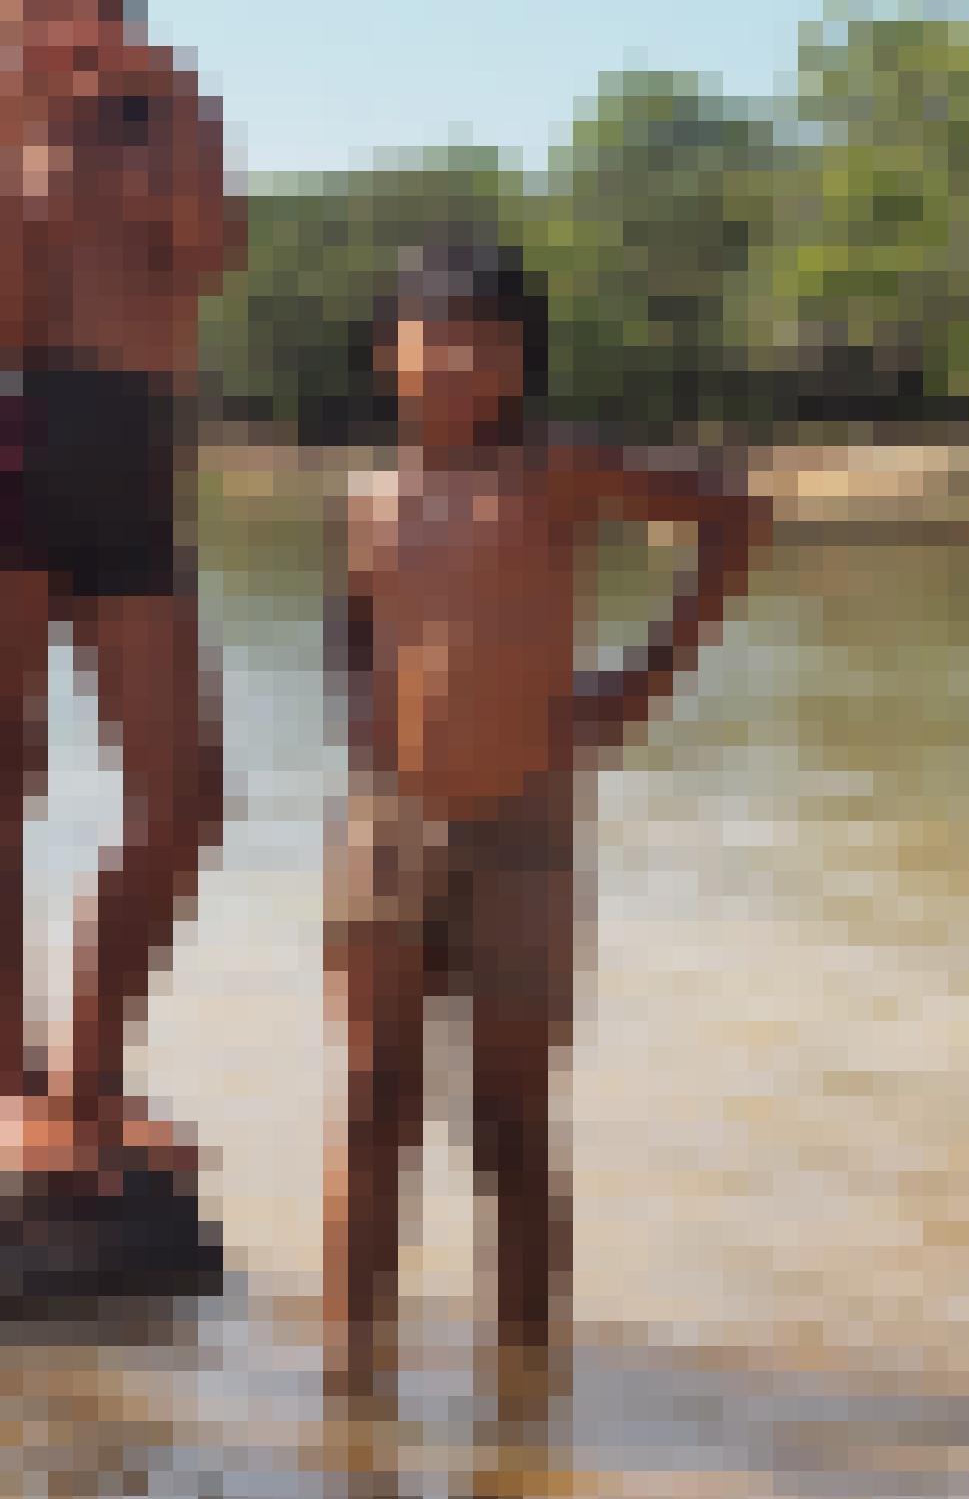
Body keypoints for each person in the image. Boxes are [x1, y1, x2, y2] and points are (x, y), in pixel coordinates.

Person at [325, 240, 765, 1421]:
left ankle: (524, 1399)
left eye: (485, 335)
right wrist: (372, 770)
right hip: (389, 822)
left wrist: (645, 679)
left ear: (518, 360)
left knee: (511, 1123)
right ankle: (345, 1387)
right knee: (370, 1102)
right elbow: (351, 645)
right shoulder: (362, 496)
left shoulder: (554, 472)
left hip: (521, 828)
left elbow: (733, 512)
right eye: (434, 330)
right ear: (390, 354)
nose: (458, 355)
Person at [0, 0, 244, 1180]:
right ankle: (11, 1083)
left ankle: (96, 1074)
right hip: (7, 431)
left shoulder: (174, 110)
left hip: (134, 445)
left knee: (183, 797)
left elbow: (206, 250)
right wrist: (15, 127)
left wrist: (141, 101)